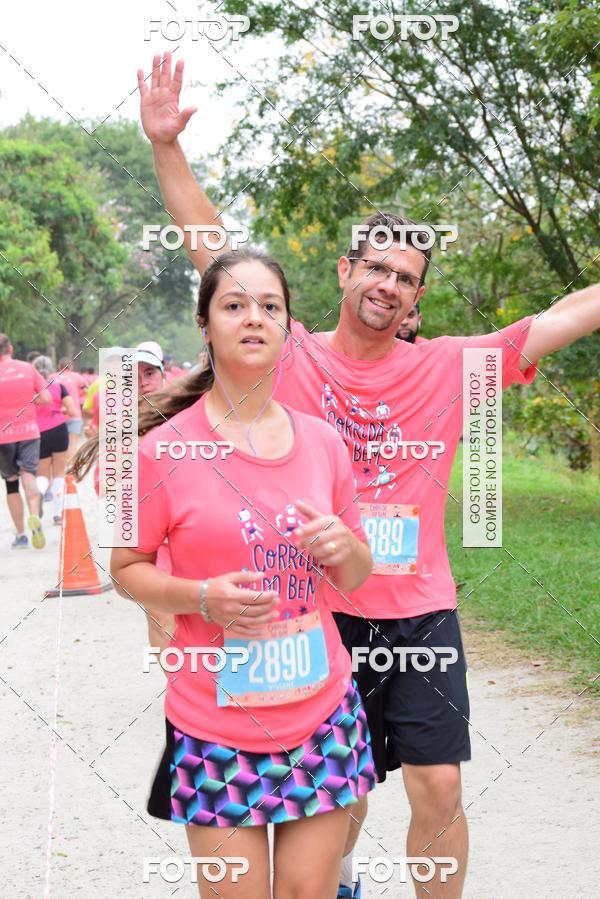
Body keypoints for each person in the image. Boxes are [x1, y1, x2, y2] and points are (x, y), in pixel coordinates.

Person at [138, 53, 600, 898]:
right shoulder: (292, 350)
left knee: (441, 783)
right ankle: (338, 879)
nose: (388, 284)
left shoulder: (458, 366)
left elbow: (566, 315)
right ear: (347, 271)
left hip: (419, 610)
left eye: (406, 279)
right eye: (376, 267)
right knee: (335, 798)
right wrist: (167, 147)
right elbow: (213, 245)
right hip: (319, 611)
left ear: (417, 302)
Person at [109, 249, 376, 899]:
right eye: (233, 305)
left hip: (322, 712)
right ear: (204, 325)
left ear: (288, 325)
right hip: (214, 723)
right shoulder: (161, 452)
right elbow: (125, 569)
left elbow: (358, 576)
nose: (253, 318)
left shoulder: (324, 442)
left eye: (270, 306)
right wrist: (200, 596)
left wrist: (344, 545)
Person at [0, 334, 50, 548]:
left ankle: (21, 535)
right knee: (29, 474)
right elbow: (47, 398)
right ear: (10, 348)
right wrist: (28, 401)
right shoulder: (28, 368)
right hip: (29, 432)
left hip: (3, 435)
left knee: (11, 483)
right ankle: (34, 516)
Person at [32, 356, 77, 525]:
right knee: (59, 473)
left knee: (41, 474)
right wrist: (60, 410)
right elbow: (72, 412)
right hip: (59, 430)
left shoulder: (31, 390)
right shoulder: (59, 387)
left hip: (39, 433)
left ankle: (40, 498)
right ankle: (57, 514)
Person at [56, 357, 86, 460]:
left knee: (59, 445)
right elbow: (87, 390)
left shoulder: (53, 377)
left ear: (59, 366)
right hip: (74, 414)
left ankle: (60, 468)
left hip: (57, 416)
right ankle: (69, 468)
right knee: (73, 443)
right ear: (71, 366)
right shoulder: (77, 377)